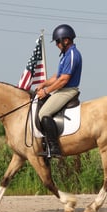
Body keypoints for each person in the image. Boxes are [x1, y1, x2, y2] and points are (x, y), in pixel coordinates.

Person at [36, 24, 82, 158]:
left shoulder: (73, 54)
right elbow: (57, 76)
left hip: (68, 90)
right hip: (62, 89)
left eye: (57, 41)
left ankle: (54, 148)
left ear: (66, 40)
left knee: (44, 113)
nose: (56, 44)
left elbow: (64, 80)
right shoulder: (66, 55)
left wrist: (46, 92)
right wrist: (43, 84)